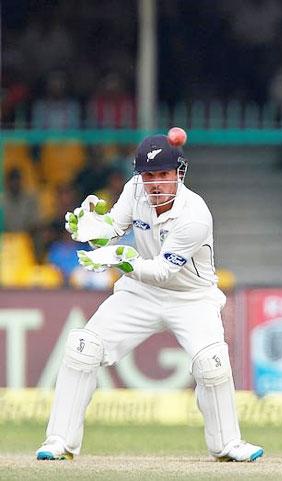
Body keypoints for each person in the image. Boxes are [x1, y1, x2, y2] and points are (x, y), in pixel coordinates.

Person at [35, 134, 264, 463]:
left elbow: (161, 272)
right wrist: (91, 228)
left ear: (178, 173)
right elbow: (114, 225)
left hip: (191, 297)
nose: (155, 184)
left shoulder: (195, 216)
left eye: (163, 175)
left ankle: (227, 444)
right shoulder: (134, 190)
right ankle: (60, 441)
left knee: (212, 365)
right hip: (140, 293)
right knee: (83, 347)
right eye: (149, 176)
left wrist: (118, 259)